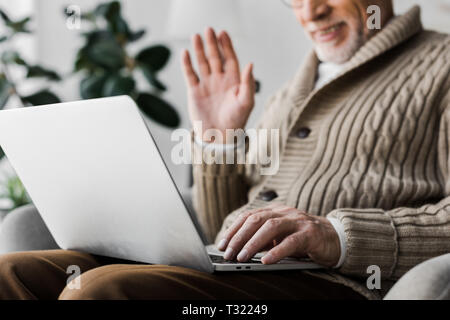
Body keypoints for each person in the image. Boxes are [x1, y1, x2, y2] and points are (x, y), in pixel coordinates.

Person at [0, 0, 448, 300]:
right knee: (11, 275)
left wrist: (338, 236)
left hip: (333, 284)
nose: (311, 11)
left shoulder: (441, 64)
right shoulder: (291, 91)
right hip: (239, 274)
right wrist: (217, 140)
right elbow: (222, 227)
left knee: (98, 291)